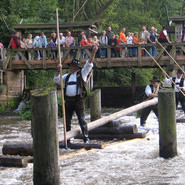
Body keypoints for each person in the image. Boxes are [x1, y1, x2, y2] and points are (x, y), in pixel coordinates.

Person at [54, 45, 98, 144]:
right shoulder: (67, 76)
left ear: (76, 67)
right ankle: (68, 139)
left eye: (72, 66)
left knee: (81, 120)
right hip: (68, 101)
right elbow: (56, 80)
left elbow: (89, 63)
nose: (71, 68)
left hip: (79, 100)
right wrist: (58, 71)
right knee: (67, 120)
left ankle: (86, 138)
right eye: (70, 66)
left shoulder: (82, 73)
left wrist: (94, 52)